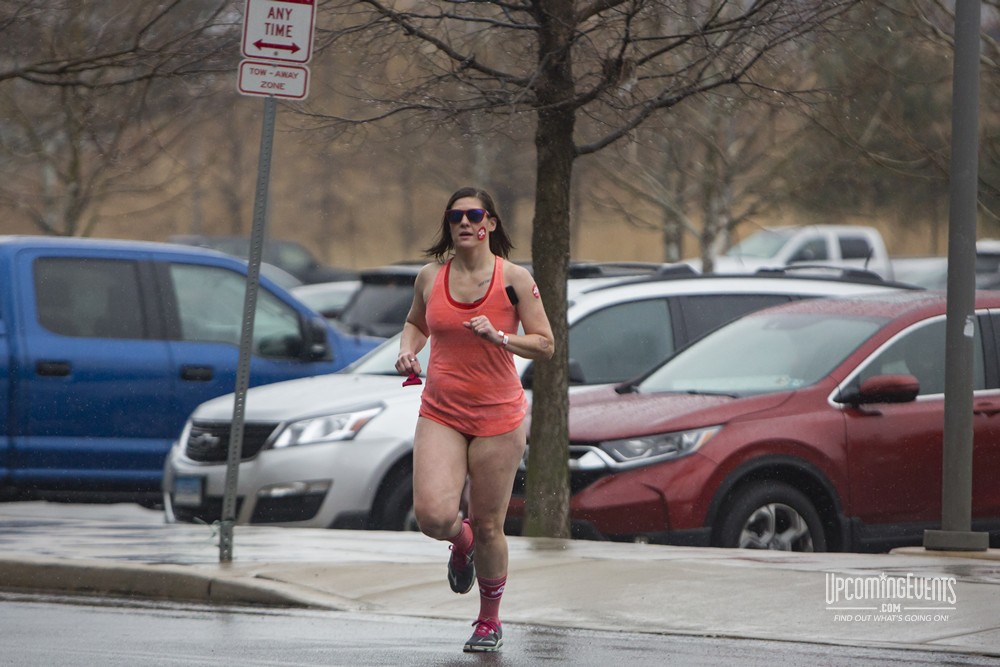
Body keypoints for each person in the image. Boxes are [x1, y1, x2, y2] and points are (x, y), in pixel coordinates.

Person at [395, 186, 554, 653]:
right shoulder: (429, 277)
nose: (465, 223)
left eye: (474, 214)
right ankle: (458, 542)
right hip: (441, 411)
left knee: (489, 525)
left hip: (499, 419)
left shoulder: (514, 279)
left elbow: (545, 344)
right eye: (456, 216)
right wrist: (407, 351)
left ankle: (489, 620)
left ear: (491, 223)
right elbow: (416, 323)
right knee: (432, 514)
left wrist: (501, 337)